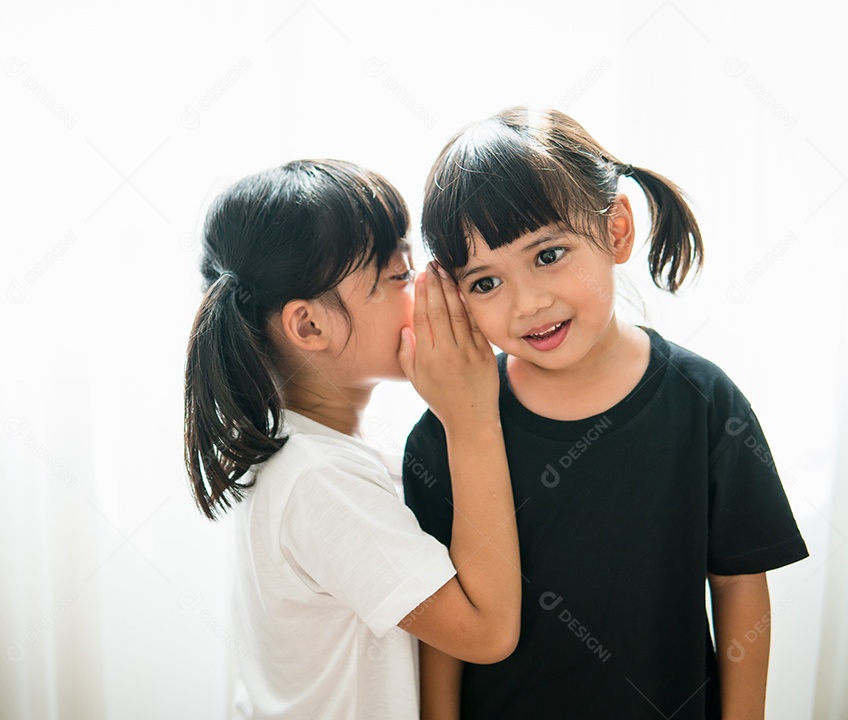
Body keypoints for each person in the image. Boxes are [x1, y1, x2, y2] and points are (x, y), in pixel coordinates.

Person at [403, 107, 808, 720]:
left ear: (616, 230)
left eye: (548, 255)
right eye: (486, 283)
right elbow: (442, 629)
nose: (528, 304)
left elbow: (739, 583)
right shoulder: (449, 433)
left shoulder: (703, 402)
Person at [183, 159, 522, 719]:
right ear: (310, 326)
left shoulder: (304, 454)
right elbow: (487, 632)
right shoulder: (320, 481)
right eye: (396, 276)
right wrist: (470, 420)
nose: (427, 286)